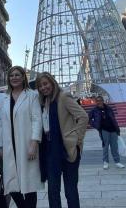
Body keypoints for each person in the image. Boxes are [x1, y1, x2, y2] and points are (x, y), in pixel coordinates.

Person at [37, 72, 88, 208]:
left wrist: (77, 139)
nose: (43, 88)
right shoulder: (43, 102)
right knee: (53, 191)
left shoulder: (63, 96)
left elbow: (83, 116)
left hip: (67, 150)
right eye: (40, 86)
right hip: (50, 151)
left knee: (70, 190)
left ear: (52, 82)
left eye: (45, 84)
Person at [0, 66, 43, 208]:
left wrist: (34, 143)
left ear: (24, 77)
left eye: (18, 75)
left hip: (26, 144)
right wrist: (0, 146)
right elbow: (1, 124)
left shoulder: (31, 95)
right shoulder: (5, 98)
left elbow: (37, 119)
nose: (14, 77)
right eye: (12, 75)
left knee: (29, 184)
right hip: (9, 146)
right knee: (10, 184)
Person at [88, 96, 124, 170]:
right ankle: (105, 162)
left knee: (114, 146)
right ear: (95, 102)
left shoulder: (109, 108)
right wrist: (96, 125)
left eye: (100, 100)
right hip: (103, 130)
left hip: (113, 129)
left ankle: (117, 162)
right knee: (105, 146)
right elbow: (88, 118)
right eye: (97, 101)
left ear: (103, 101)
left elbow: (113, 119)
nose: (99, 102)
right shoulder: (94, 110)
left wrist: (117, 128)